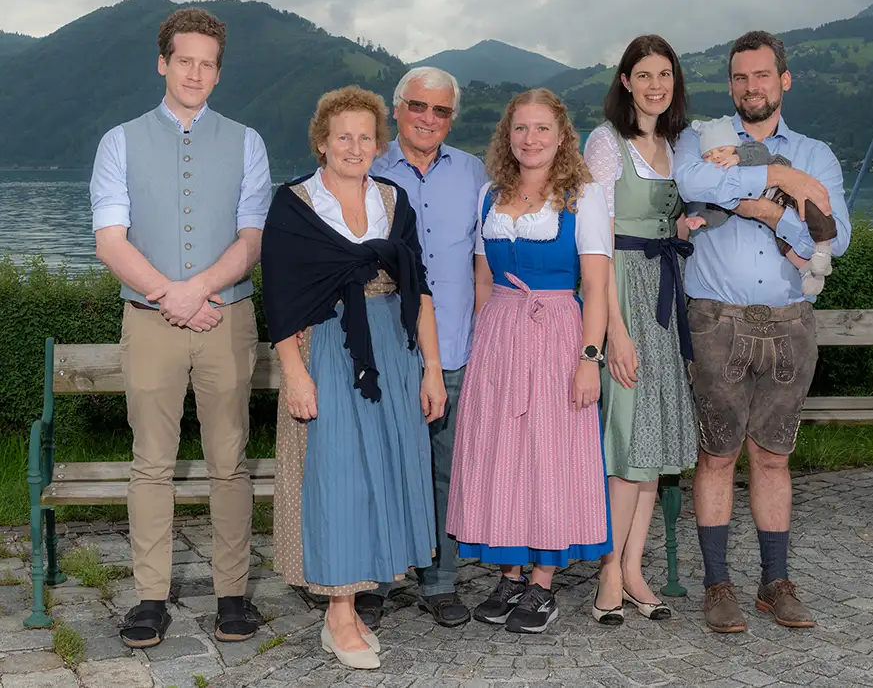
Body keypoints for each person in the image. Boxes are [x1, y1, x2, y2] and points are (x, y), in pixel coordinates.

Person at [90, 7, 270, 648]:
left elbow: (252, 239)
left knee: (230, 461)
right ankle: (148, 599)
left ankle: (231, 596)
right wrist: (170, 295)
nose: (195, 72)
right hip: (151, 321)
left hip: (227, 318)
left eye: (208, 63)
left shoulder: (248, 141)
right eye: (184, 60)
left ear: (218, 73)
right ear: (163, 63)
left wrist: (199, 290)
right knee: (151, 465)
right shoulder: (120, 140)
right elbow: (110, 238)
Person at [261, 86, 446, 670]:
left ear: (379, 143)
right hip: (327, 348)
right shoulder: (293, 204)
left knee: (381, 472)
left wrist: (432, 369)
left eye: (366, 136)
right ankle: (338, 611)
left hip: (392, 347)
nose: (355, 146)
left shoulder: (394, 199)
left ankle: (356, 598)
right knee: (338, 473)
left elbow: (420, 290)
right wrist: (294, 374)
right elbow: (282, 299)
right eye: (343, 135)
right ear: (322, 142)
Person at [673, 30, 851, 633]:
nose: (751, 86)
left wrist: (774, 210)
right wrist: (778, 177)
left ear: (784, 80)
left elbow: (837, 239)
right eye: (741, 77)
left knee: (773, 459)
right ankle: (717, 585)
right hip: (715, 321)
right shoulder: (704, 139)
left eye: (762, 76)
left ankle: (775, 584)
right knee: (717, 455)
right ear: (731, 84)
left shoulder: (818, 153)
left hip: (789, 325)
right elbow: (695, 185)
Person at [446, 88, 611, 634]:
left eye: (542, 128)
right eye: (521, 129)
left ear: (562, 135)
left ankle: (543, 582)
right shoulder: (490, 195)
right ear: (507, 136)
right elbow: (481, 278)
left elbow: (596, 283)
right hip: (499, 334)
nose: (531, 139)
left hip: (558, 331)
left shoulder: (582, 196)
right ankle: (510, 574)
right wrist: (482, 344)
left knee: (549, 453)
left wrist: (590, 358)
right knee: (502, 453)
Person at [354, 67, 487, 630]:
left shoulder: (474, 173)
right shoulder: (366, 169)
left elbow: (484, 264)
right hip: (385, 348)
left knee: (444, 470)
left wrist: (485, 336)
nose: (428, 119)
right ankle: (377, 583)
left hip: (454, 346)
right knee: (382, 465)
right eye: (418, 107)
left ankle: (440, 581)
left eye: (441, 111)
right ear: (397, 109)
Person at [582, 34, 700, 626]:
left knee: (649, 445)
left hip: (664, 291)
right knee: (624, 441)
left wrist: (686, 224)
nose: (656, 85)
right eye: (644, 74)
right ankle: (607, 570)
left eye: (665, 75)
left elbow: (669, 218)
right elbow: (597, 244)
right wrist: (615, 333)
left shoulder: (677, 142)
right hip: (624, 295)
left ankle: (633, 569)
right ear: (625, 81)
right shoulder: (605, 144)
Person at [687, 114, 837, 296]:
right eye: (708, 156)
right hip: (776, 215)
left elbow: (761, 154)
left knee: (811, 210)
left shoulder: (748, 150)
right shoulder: (722, 183)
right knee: (784, 244)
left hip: (787, 195)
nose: (716, 156)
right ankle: (807, 270)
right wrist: (703, 219)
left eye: (721, 150)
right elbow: (721, 211)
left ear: (734, 146)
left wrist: (738, 158)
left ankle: (823, 247)